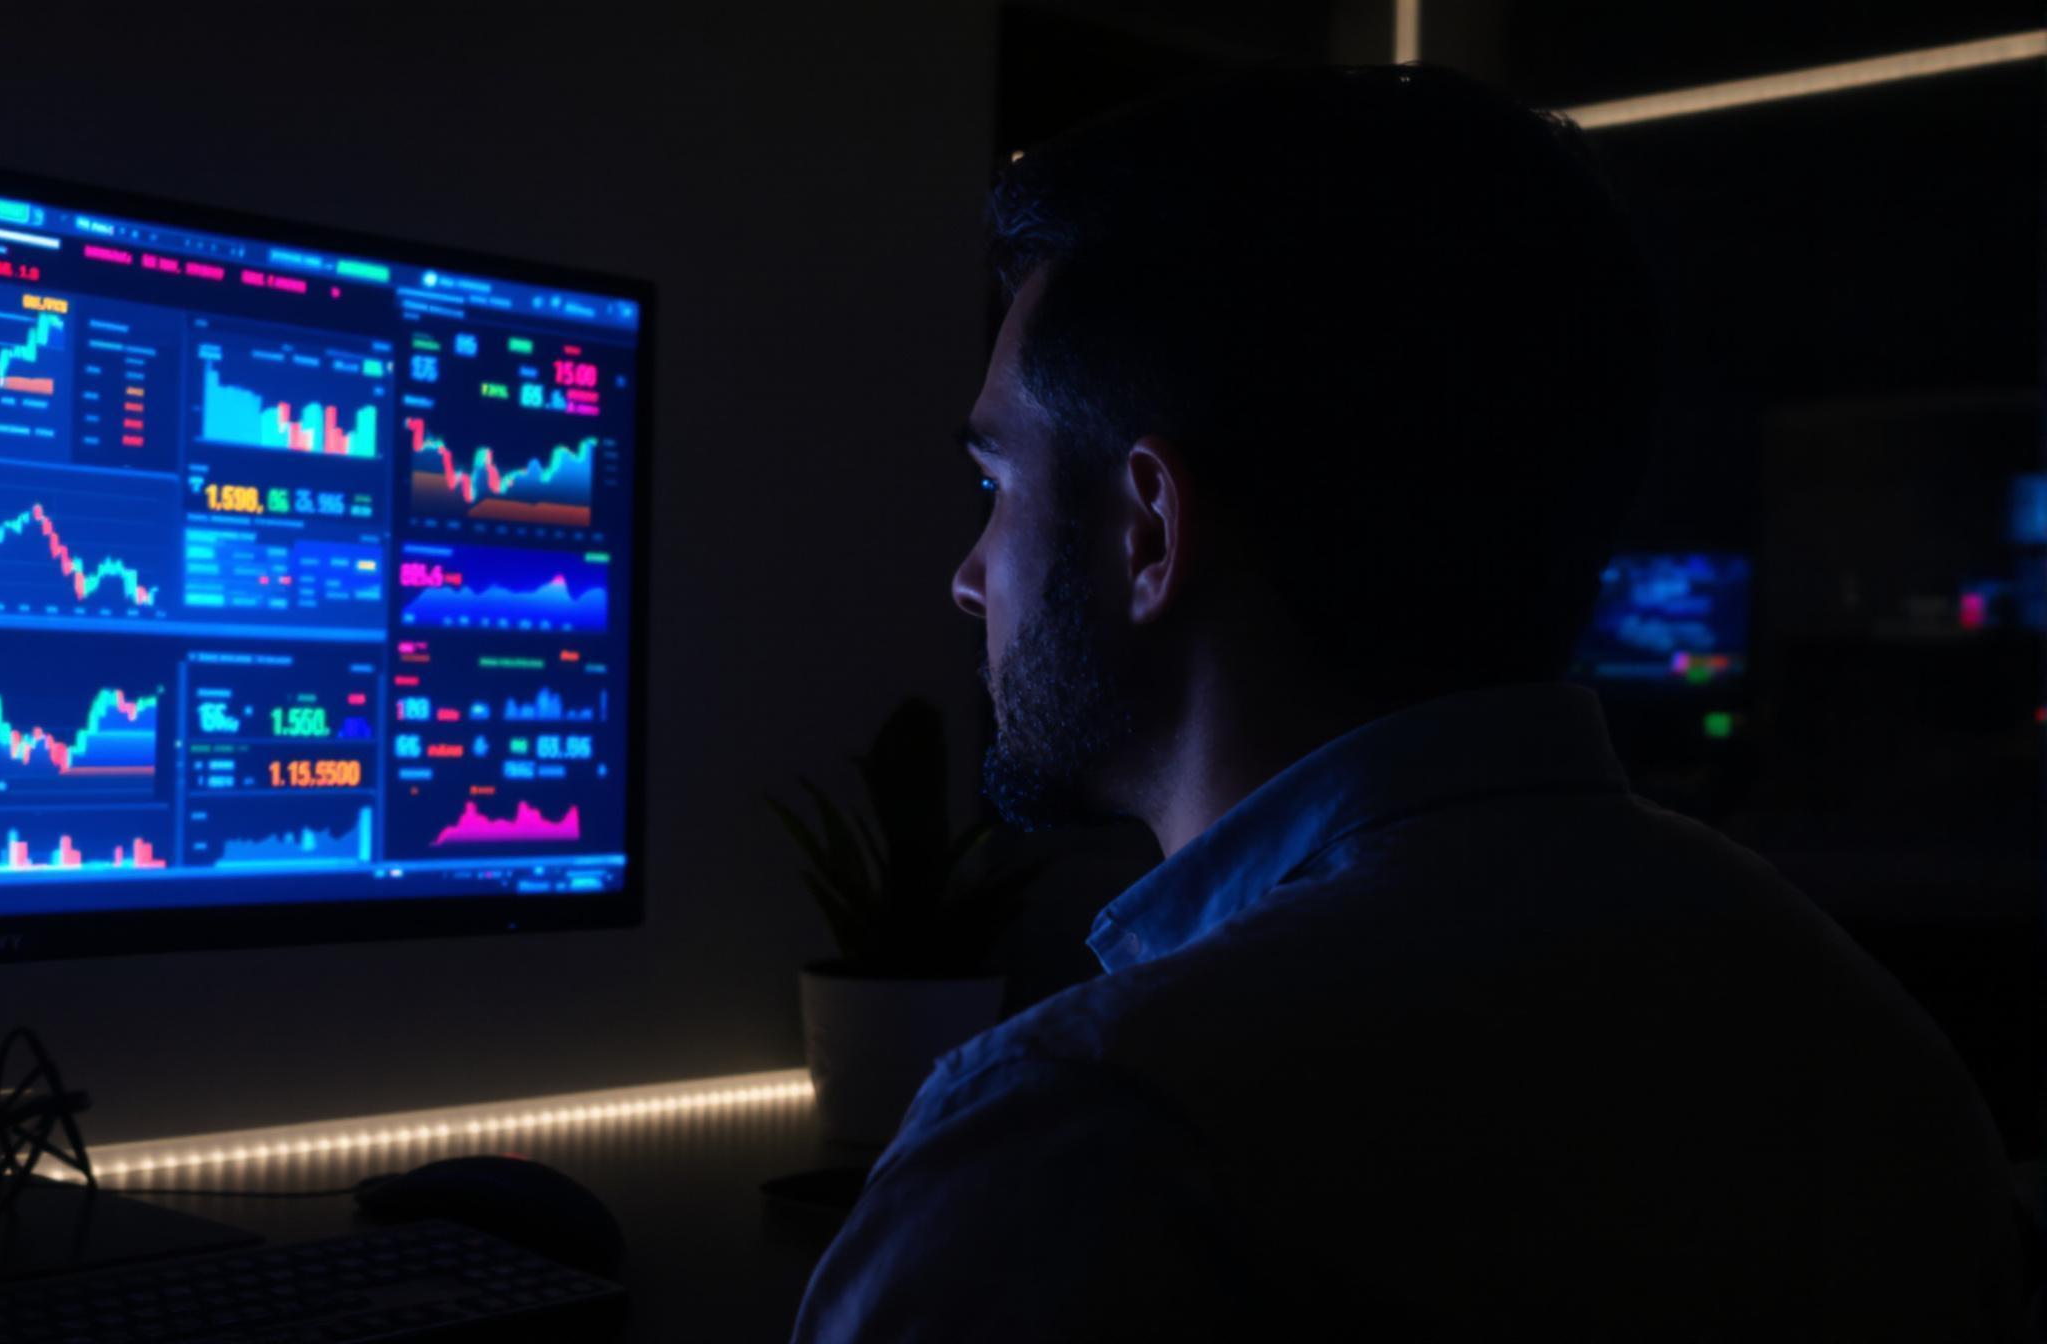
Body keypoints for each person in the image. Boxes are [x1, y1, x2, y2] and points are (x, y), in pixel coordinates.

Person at [792, 65, 2036, 1340]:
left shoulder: (1079, 1143)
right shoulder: (1865, 1048)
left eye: (997, 483)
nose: (966, 576)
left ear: (1148, 531)